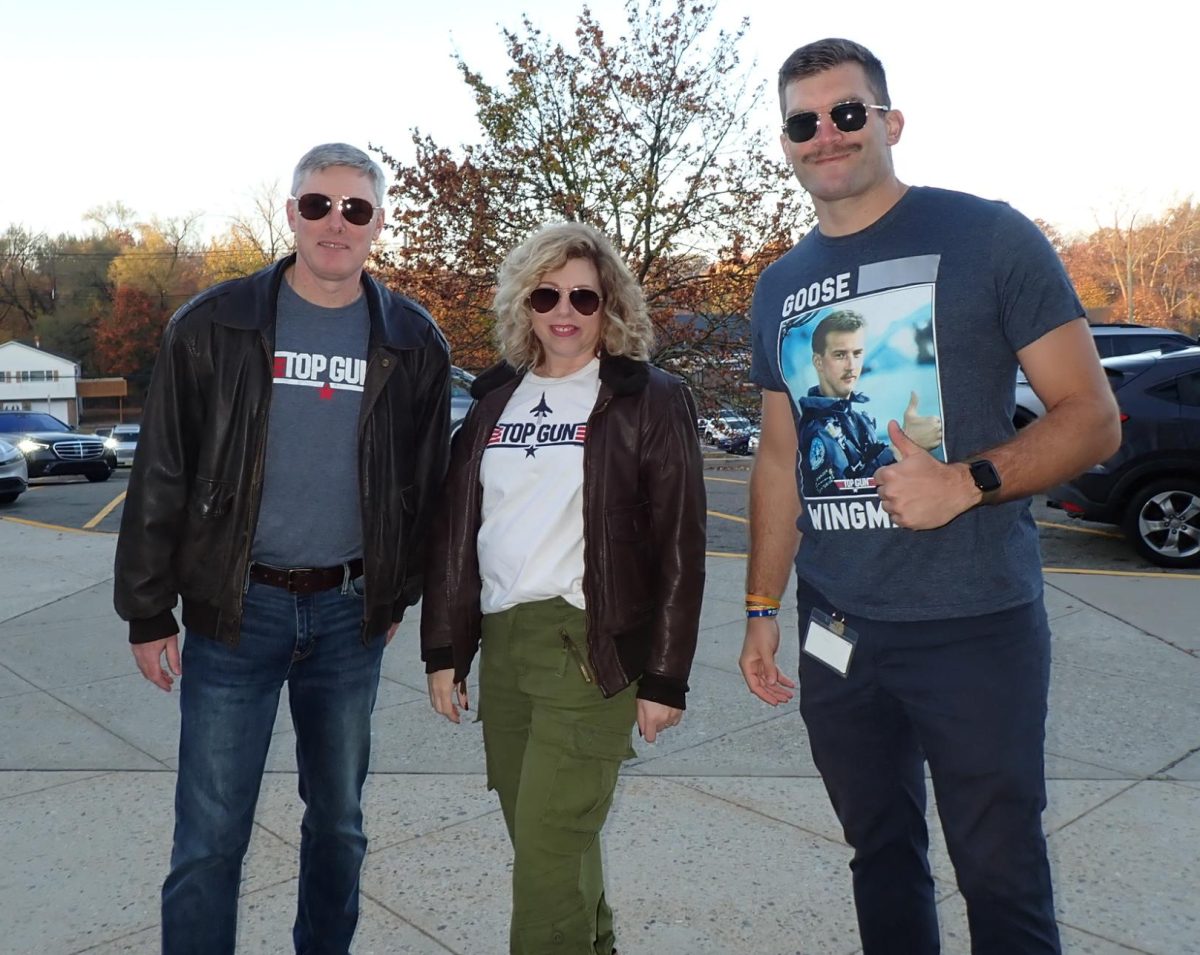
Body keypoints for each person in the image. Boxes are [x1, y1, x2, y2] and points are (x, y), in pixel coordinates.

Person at [738, 39, 1121, 955]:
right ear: (786, 145)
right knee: (879, 852)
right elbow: (778, 455)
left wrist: (967, 482)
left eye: (847, 112)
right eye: (803, 122)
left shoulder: (985, 235)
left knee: (1001, 872)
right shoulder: (779, 287)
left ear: (889, 121)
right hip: (837, 631)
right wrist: (761, 605)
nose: (825, 134)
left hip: (974, 623)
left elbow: (1093, 416)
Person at [113, 142, 450, 954]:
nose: (336, 224)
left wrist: (394, 594)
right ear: (291, 212)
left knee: (338, 825)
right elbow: (162, 470)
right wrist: (148, 609)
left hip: (346, 617)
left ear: (377, 223)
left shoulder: (412, 340)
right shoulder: (212, 325)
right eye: (318, 205)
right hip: (238, 612)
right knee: (208, 838)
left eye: (356, 209)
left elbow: (426, 483)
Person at [421, 221, 706, 954]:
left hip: (590, 650)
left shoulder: (649, 398)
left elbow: (681, 544)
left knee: (544, 871)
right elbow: (458, 535)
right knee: (557, 847)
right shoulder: (492, 403)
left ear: (609, 303)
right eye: (547, 292)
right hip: (507, 650)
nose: (565, 308)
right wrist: (445, 648)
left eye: (584, 293)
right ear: (525, 302)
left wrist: (666, 677)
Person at [798, 308, 941, 496]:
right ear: (818, 362)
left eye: (857, 354)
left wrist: (903, 440)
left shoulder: (855, 417)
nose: (851, 366)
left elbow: (869, 461)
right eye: (840, 355)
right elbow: (839, 493)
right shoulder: (817, 430)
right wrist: (900, 449)